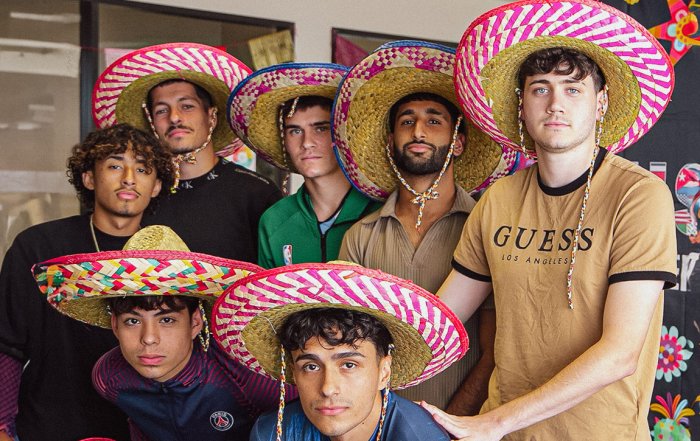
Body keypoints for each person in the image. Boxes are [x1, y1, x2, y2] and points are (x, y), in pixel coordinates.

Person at [420, 1, 677, 440]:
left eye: (573, 89)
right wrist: (357, 307)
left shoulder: (638, 195)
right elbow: (441, 318)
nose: (555, 103)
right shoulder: (499, 198)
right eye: (540, 88)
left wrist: (493, 422)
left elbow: (620, 354)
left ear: (602, 103)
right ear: (522, 106)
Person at [334, 40, 515, 413]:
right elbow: (347, 348)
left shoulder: (486, 228)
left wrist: (450, 421)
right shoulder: (361, 236)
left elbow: (495, 350)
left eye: (434, 120)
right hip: (374, 424)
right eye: (406, 121)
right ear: (391, 142)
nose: (418, 130)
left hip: (462, 421)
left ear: (458, 142)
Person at [33, 225, 294, 440]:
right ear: (114, 325)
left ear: (195, 323)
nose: (148, 338)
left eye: (166, 319)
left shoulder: (246, 375)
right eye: (132, 321)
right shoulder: (109, 377)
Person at [0, 123, 174, 441]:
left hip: (141, 428)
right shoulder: (38, 247)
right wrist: (2, 428)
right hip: (48, 426)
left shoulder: (170, 257)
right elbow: (6, 343)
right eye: (114, 165)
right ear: (89, 178)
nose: (129, 178)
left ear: (157, 185)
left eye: (143, 169)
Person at [212, 262, 469, 440]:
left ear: (384, 371)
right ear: (293, 372)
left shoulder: (418, 436)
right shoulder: (273, 432)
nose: (327, 387)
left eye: (348, 364)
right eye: (310, 366)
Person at [92, 42, 282, 261]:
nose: (174, 117)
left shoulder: (256, 193)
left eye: (187, 106)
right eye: (161, 110)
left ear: (211, 116)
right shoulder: (138, 191)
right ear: (152, 123)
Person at [229, 63, 382, 268]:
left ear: (343, 134)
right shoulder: (275, 220)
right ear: (284, 142)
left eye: (320, 129)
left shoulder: (380, 212)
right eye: (295, 131)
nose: (307, 142)